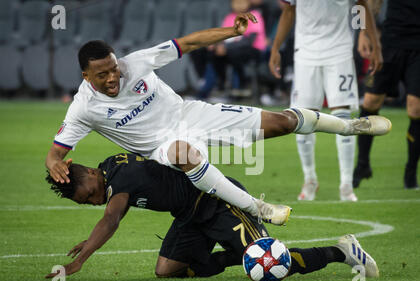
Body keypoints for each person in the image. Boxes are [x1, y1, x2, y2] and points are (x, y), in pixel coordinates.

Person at [46, 12, 391, 228]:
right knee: (184, 154)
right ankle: (258, 207)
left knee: (283, 122)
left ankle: (349, 126)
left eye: (114, 68)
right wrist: (52, 160)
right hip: (161, 148)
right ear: (85, 76)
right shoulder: (83, 108)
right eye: (102, 74)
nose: (113, 78)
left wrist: (230, 32)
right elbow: (58, 151)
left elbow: (188, 43)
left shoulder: (135, 62)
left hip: (192, 114)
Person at [44, 153, 379, 279]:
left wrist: (83, 258)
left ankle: (342, 251)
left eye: (90, 193)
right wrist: (91, 239)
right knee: (167, 271)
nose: (95, 199)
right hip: (190, 216)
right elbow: (109, 214)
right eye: (87, 202)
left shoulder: (120, 179)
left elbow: (112, 218)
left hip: (219, 203)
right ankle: (240, 254)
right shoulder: (111, 171)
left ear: (88, 171)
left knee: (269, 265)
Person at [269, 0, 383, 202]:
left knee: (343, 117)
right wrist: (276, 48)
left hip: (339, 52)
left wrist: (369, 38)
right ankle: (310, 179)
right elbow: (289, 10)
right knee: (302, 119)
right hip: (305, 54)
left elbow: (361, 6)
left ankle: (346, 185)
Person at [353, 0, 420, 189]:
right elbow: (368, 2)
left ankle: (411, 172)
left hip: (418, 46)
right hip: (390, 42)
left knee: (416, 108)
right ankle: (362, 165)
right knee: (370, 101)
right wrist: (362, 33)